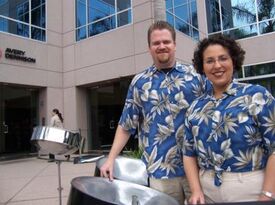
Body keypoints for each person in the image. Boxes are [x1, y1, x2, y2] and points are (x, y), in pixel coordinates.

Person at [100, 20, 205, 204]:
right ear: (149, 47)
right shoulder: (139, 82)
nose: (162, 46)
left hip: (197, 168)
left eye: (166, 42)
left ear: (174, 44)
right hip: (159, 171)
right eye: (156, 43)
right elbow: (126, 125)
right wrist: (110, 158)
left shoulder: (196, 76)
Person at [183, 34, 275, 204]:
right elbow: (188, 153)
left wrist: (268, 194)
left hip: (250, 190)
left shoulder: (257, 96)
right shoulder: (195, 108)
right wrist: (196, 190)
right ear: (202, 67)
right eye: (209, 61)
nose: (217, 65)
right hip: (207, 191)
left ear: (233, 60)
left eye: (223, 58)